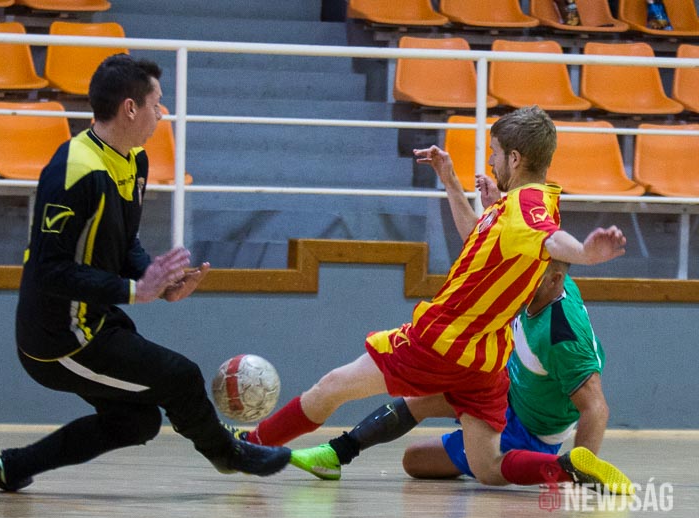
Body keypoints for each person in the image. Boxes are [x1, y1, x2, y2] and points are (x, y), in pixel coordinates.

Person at [238, 106, 633, 494]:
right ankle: (566, 467)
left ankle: (249, 447)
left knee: (331, 387)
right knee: (488, 466)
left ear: (515, 158)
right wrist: (450, 182)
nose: (491, 161)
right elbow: (480, 241)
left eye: (495, 153)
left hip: (443, 339)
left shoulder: (526, 210)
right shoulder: (530, 202)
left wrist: (585, 253)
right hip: (484, 360)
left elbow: (551, 239)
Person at [0, 54, 290, 492]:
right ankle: (228, 455)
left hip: (96, 319)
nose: (163, 113)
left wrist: (160, 280)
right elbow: (48, 271)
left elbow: (124, 243)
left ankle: (10, 468)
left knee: (135, 422)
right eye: (157, 104)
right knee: (180, 376)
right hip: (58, 338)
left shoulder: (135, 160)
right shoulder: (73, 171)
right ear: (130, 108)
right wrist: (136, 291)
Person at [288, 258, 612, 484]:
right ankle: (337, 453)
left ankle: (556, 469)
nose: (519, 277)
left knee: (415, 461)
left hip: (529, 432)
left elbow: (596, 408)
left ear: (555, 280)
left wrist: (580, 471)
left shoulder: (563, 338)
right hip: (507, 389)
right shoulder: (537, 283)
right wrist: (461, 191)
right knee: (421, 396)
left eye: (529, 274)